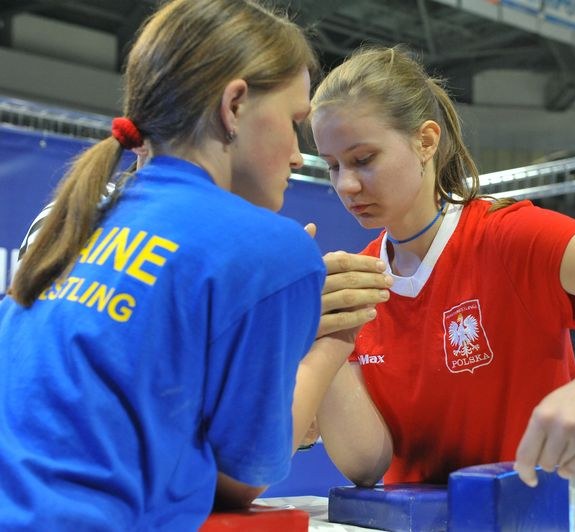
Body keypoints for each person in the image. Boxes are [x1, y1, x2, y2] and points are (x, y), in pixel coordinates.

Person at [0, 1, 389, 528]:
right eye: (294, 122)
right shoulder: (270, 248)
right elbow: (243, 479)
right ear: (235, 106)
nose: (300, 156)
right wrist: (331, 341)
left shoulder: (69, 223)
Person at [308, 46, 575, 488]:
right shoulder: (356, 282)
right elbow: (367, 464)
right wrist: (325, 338)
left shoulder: (504, 236)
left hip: (535, 514)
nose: (346, 184)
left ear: (426, 141)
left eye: (363, 159)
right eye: (333, 166)